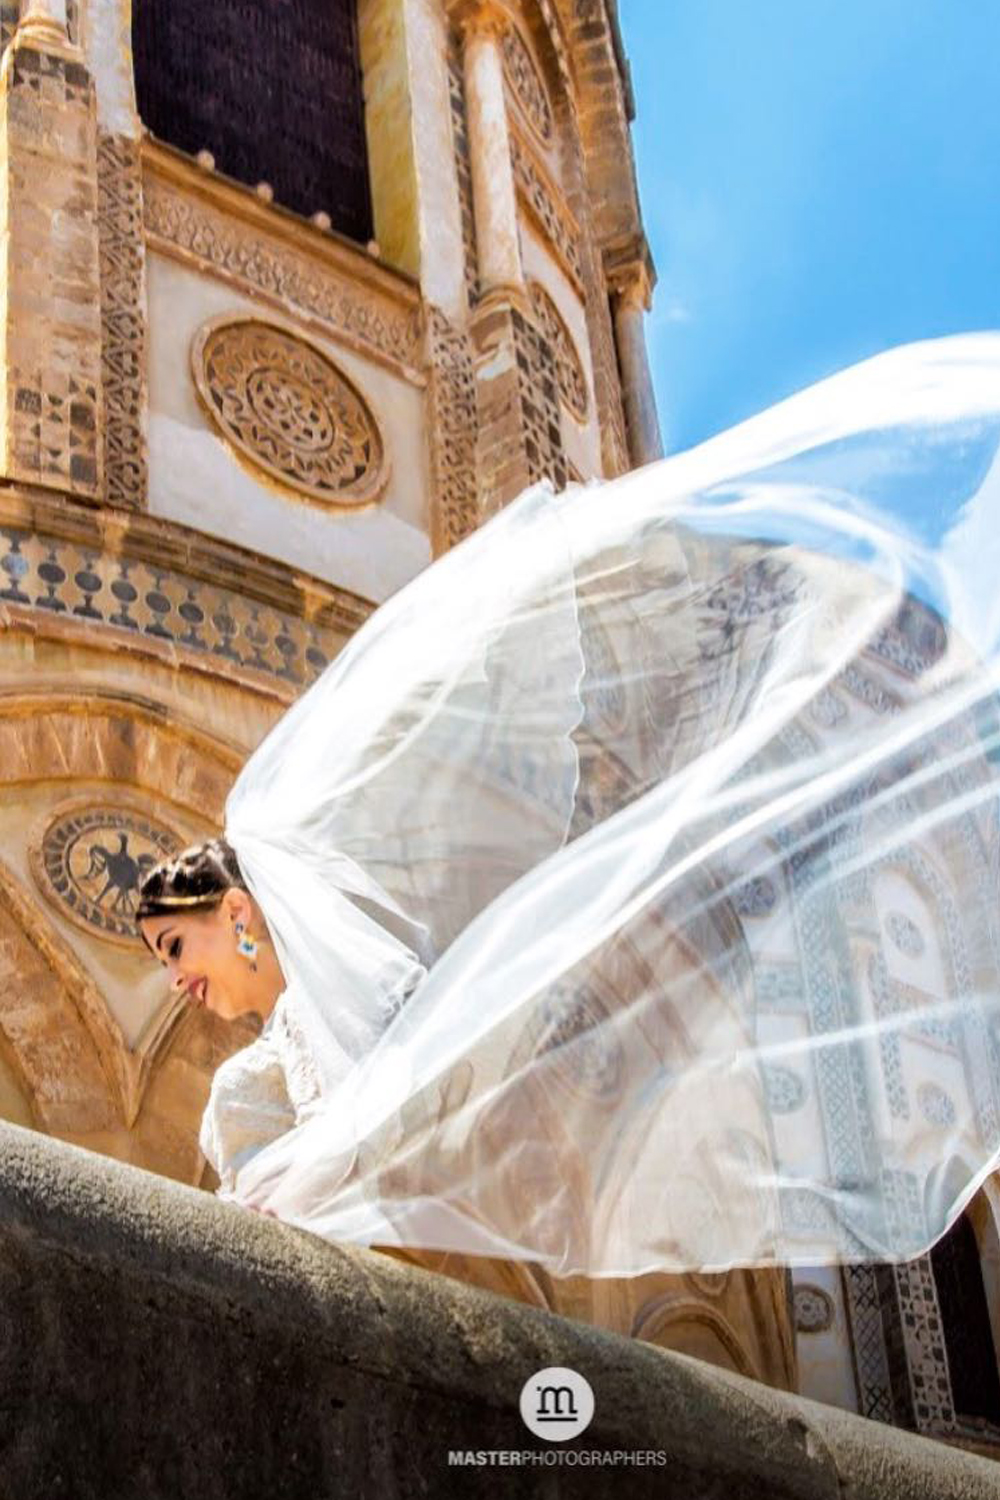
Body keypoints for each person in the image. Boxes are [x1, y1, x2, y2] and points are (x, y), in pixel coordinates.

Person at [136, 332, 1000, 1278]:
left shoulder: (351, 947)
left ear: (237, 910)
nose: (174, 978)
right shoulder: (268, 1061)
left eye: (174, 945)